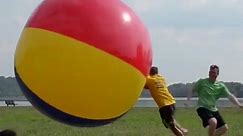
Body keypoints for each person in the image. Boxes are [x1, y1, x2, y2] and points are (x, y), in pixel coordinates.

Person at [187, 65, 243, 136]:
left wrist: (239, 104)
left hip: (213, 109)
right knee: (213, 122)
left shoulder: (221, 86)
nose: (211, 74)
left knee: (224, 128)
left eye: (213, 72)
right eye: (210, 72)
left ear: (217, 74)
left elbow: (230, 96)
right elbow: (192, 90)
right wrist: (188, 101)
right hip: (202, 107)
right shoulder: (202, 82)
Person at [145, 66, 188, 136]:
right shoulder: (161, 78)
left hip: (165, 105)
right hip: (171, 102)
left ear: (150, 72)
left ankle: (182, 133)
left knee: (171, 126)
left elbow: (143, 84)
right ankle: (182, 129)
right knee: (169, 121)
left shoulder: (150, 80)